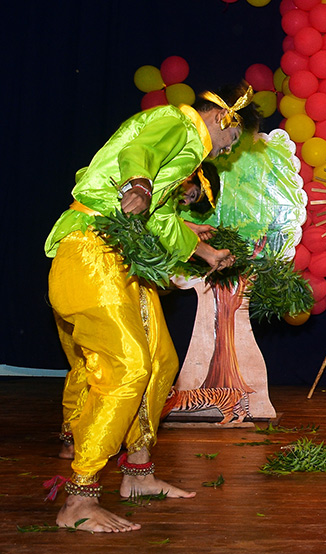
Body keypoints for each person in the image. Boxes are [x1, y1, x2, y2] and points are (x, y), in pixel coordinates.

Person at [44, 84, 259, 533]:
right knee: (127, 368)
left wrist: (204, 253)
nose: (227, 151)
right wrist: (138, 182)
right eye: (233, 142)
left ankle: (138, 473)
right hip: (90, 249)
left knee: (161, 362)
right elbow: (139, 149)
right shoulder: (177, 121)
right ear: (224, 120)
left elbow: (158, 220)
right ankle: (78, 498)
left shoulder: (186, 154)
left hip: (124, 257)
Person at [57, 162, 223, 460]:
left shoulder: (152, 196)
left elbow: (152, 220)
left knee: (113, 363)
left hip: (95, 271)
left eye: (192, 201)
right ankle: (97, 454)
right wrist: (201, 248)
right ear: (189, 175)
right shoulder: (141, 182)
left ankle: (98, 445)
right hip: (99, 270)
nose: (185, 201)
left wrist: (190, 229)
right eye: (192, 192)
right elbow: (141, 217)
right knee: (127, 365)